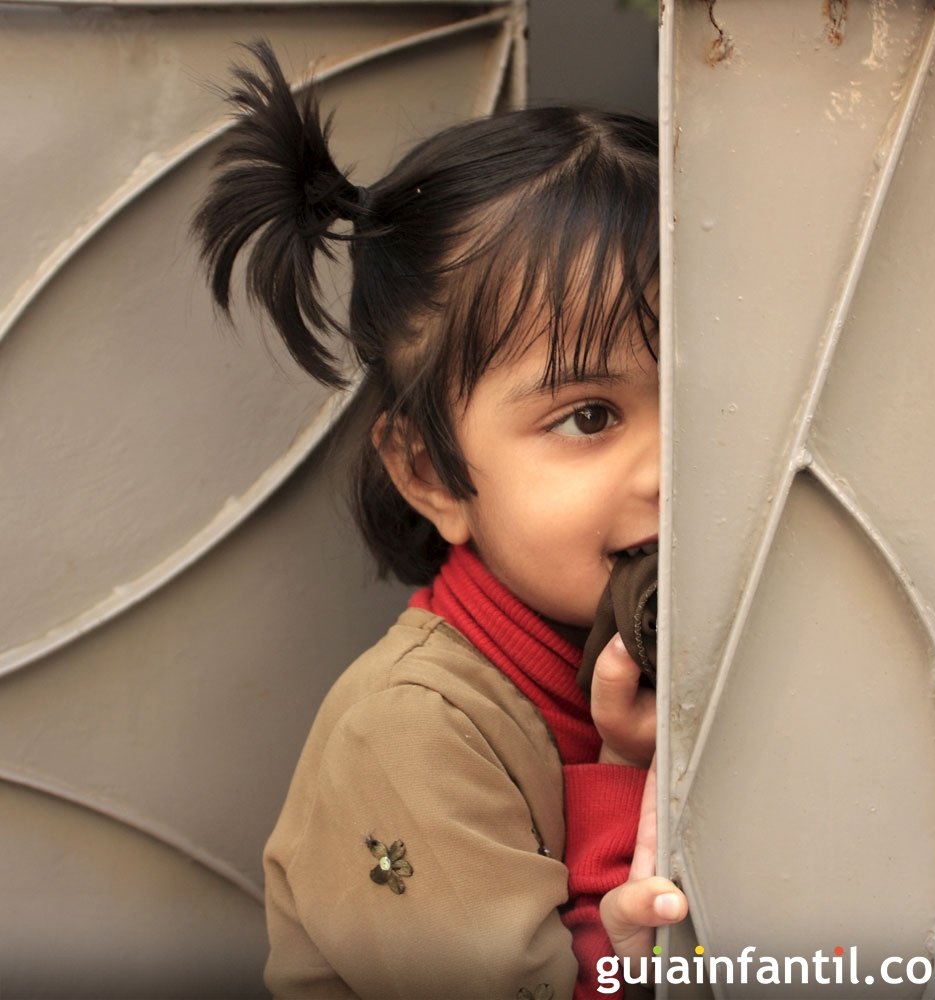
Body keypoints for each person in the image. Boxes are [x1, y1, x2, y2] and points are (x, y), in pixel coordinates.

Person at [194, 40, 686, 999]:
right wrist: (628, 775)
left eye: (709, 402)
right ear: (432, 476)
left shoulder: (718, 654)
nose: (674, 469)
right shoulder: (410, 734)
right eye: (588, 416)